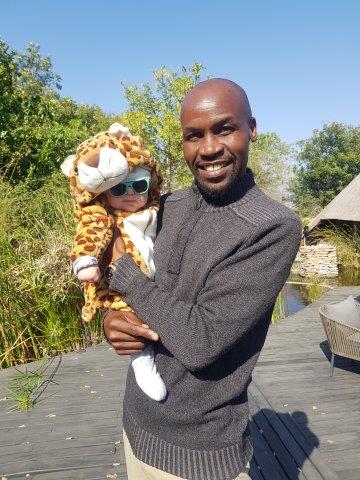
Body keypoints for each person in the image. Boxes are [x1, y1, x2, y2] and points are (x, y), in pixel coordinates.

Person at [103, 78, 302, 480]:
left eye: (224, 128)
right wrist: (110, 323)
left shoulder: (272, 227)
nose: (209, 148)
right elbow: (116, 280)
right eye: (194, 136)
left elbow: (200, 342)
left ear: (252, 129)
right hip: (136, 424)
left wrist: (124, 274)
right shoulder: (165, 206)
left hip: (199, 456)